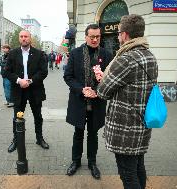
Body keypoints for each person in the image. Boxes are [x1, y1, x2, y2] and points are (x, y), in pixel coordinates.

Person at [96, 14, 158, 189]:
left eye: (118, 33)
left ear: (124, 35)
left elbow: (102, 91)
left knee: (128, 175)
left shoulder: (126, 58)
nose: (117, 36)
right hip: (143, 124)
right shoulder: (150, 56)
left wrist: (103, 78)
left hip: (126, 128)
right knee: (138, 167)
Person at [63, 24, 112, 179]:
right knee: (78, 133)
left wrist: (97, 91)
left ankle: (92, 163)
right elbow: (68, 76)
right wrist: (81, 89)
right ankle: (75, 161)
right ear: (85, 37)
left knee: (93, 134)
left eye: (98, 36)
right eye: (92, 36)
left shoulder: (107, 54)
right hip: (79, 101)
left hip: (97, 102)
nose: (95, 39)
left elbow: (110, 79)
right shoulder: (75, 53)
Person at [5, 30, 49, 153]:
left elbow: (43, 72)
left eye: (26, 36)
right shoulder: (13, 53)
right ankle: (16, 140)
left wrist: (29, 81)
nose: (24, 38)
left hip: (35, 90)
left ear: (30, 38)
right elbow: (7, 72)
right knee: (17, 117)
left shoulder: (39, 54)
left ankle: (39, 139)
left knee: (38, 116)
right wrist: (19, 81)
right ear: (19, 39)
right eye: (21, 36)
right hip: (19, 90)